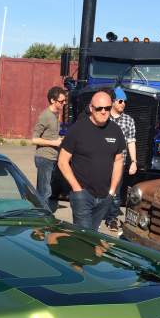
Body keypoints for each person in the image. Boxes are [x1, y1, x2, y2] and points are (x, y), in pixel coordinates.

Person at [58, 90, 126, 231]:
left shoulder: (116, 130)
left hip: (105, 196)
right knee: (84, 235)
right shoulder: (77, 129)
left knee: (93, 234)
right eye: (99, 108)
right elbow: (62, 161)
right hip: (83, 195)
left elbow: (119, 160)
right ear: (91, 108)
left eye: (107, 108)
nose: (103, 112)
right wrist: (77, 189)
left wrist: (112, 191)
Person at [103, 87, 138, 235]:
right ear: (113, 101)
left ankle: (112, 218)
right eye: (121, 101)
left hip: (119, 163)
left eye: (125, 102)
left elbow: (131, 141)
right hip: (101, 161)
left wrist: (134, 161)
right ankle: (97, 215)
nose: (123, 104)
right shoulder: (103, 117)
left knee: (116, 192)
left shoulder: (128, 120)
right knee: (99, 189)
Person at [32, 86, 66, 212]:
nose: (64, 103)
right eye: (61, 101)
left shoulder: (55, 115)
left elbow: (51, 135)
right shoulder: (45, 116)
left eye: (64, 101)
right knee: (45, 191)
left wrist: (60, 139)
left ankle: (39, 211)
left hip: (52, 157)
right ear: (52, 100)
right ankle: (44, 215)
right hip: (44, 157)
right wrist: (54, 142)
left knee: (44, 189)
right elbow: (34, 139)